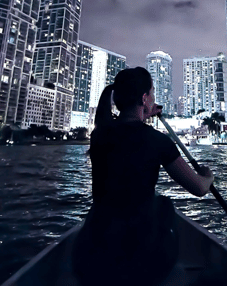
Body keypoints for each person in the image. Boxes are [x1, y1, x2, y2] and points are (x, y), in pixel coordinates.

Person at [72, 67, 214, 286]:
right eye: (152, 94)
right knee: (165, 206)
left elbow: (128, 130)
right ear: (145, 98)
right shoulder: (157, 141)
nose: (153, 98)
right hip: (139, 262)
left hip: (91, 255)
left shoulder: (99, 136)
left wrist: (144, 113)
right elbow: (199, 188)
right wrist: (207, 175)